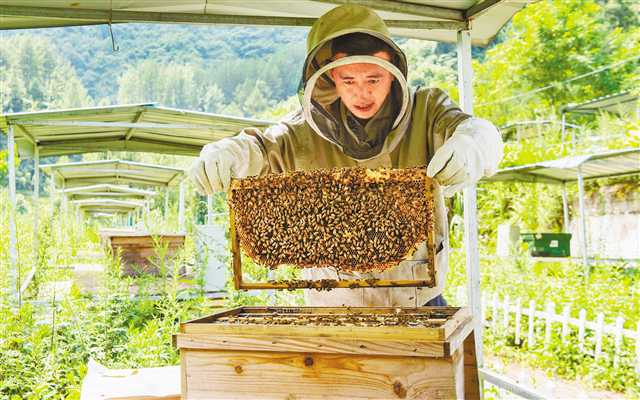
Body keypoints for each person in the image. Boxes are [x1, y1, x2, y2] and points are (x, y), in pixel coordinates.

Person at [189, 4, 503, 307]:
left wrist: (473, 145)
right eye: (348, 80)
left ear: (392, 73)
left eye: (373, 79)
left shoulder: (428, 111)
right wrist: (228, 153)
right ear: (331, 78)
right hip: (331, 306)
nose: (361, 92)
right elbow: (261, 148)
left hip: (419, 301)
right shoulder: (302, 131)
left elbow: (478, 131)